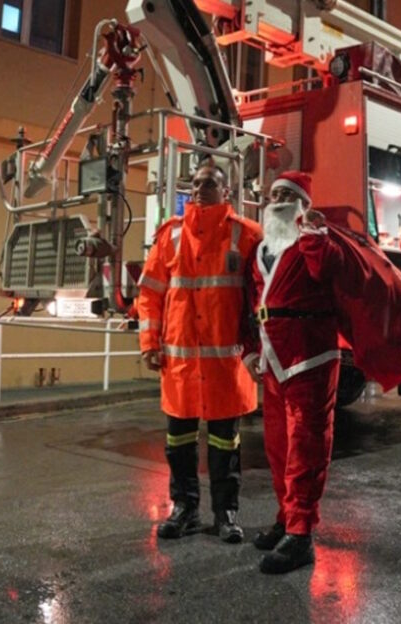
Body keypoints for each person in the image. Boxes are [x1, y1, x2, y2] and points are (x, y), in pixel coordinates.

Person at [138, 163, 262, 543]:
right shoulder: (170, 236)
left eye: (209, 183)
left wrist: (260, 350)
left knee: (226, 445)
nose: (198, 189)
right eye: (194, 183)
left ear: (227, 191)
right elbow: (150, 294)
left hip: (226, 365)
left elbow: (262, 295)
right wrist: (149, 343)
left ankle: (226, 513)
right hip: (181, 364)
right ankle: (185, 509)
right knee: (179, 444)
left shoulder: (247, 235)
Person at [243, 171, 344, 574]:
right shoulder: (261, 250)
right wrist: (250, 350)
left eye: (289, 194)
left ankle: (301, 534)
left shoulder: (316, 241)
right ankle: (287, 519)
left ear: (303, 204)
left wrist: (315, 235)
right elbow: (250, 303)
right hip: (273, 360)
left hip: (310, 357)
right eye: (274, 194)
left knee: (306, 448)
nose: (279, 198)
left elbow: (329, 271)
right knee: (278, 448)